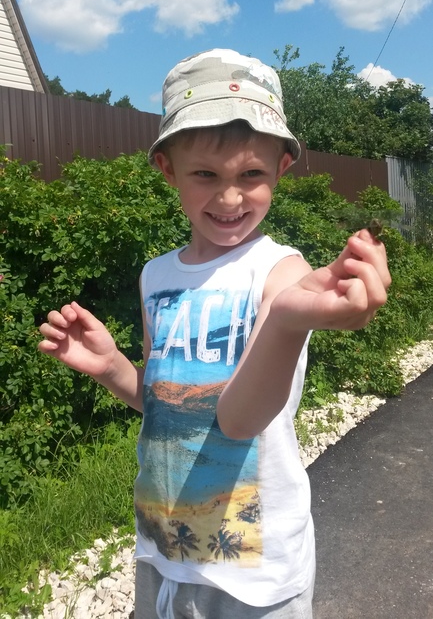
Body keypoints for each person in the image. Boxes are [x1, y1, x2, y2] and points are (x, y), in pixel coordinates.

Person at [39, 49, 391, 619]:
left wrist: (286, 321)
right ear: (168, 169)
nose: (230, 198)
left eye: (251, 174)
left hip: (254, 573)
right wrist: (112, 368)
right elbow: (169, 403)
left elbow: (238, 421)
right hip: (163, 548)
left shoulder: (280, 274)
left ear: (281, 168)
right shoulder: (156, 275)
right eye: (206, 174)